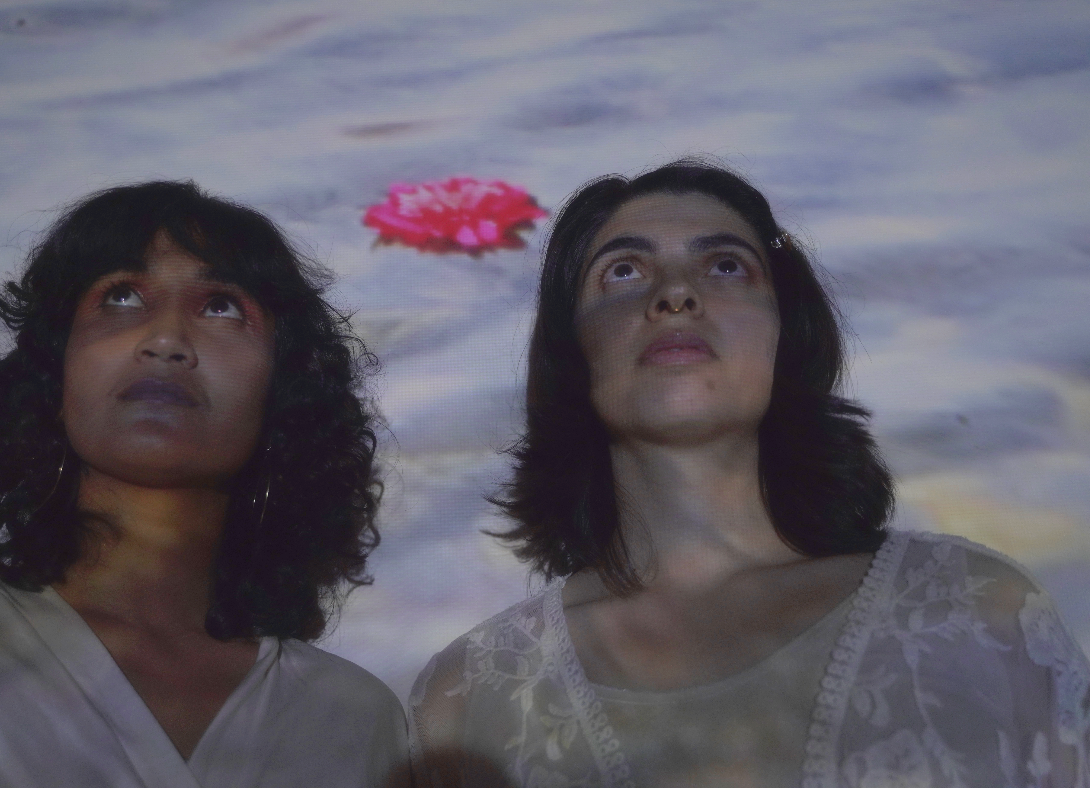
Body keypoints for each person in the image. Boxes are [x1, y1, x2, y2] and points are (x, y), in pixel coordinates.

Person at [409, 160, 1090, 787]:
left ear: (785, 332)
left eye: (726, 266)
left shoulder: (979, 612)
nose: (676, 292)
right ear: (571, 351)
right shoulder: (471, 696)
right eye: (622, 271)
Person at [0, 181, 409, 787]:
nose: (167, 340)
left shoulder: (355, 721)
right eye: (121, 297)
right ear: (54, 376)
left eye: (221, 306)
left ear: (283, 395)